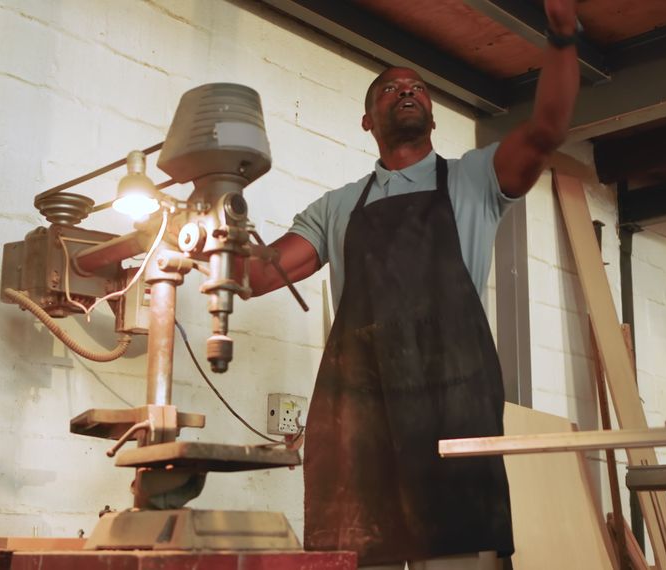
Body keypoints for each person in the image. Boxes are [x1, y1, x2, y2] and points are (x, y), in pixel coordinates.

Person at [243, 1, 580, 567]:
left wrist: (564, 35)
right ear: (367, 120)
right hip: (363, 424)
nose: (407, 91)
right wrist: (202, 226)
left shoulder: (474, 179)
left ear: (432, 115)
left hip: (453, 416)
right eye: (390, 89)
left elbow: (547, 129)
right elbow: (256, 275)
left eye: (418, 87)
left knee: (454, 558)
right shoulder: (337, 207)